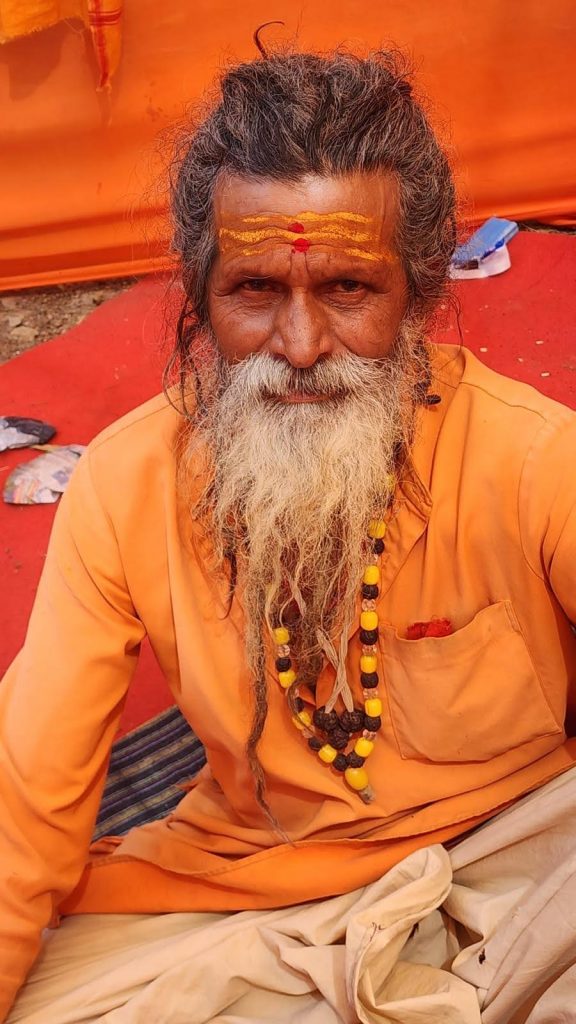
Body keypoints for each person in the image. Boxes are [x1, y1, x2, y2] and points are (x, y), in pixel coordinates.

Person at [1, 47, 576, 1024]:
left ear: (422, 291)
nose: (301, 348)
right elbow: (27, 789)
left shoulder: (535, 459)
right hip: (262, 884)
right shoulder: (126, 484)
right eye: (255, 291)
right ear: (198, 293)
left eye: (349, 290)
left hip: (525, 850)